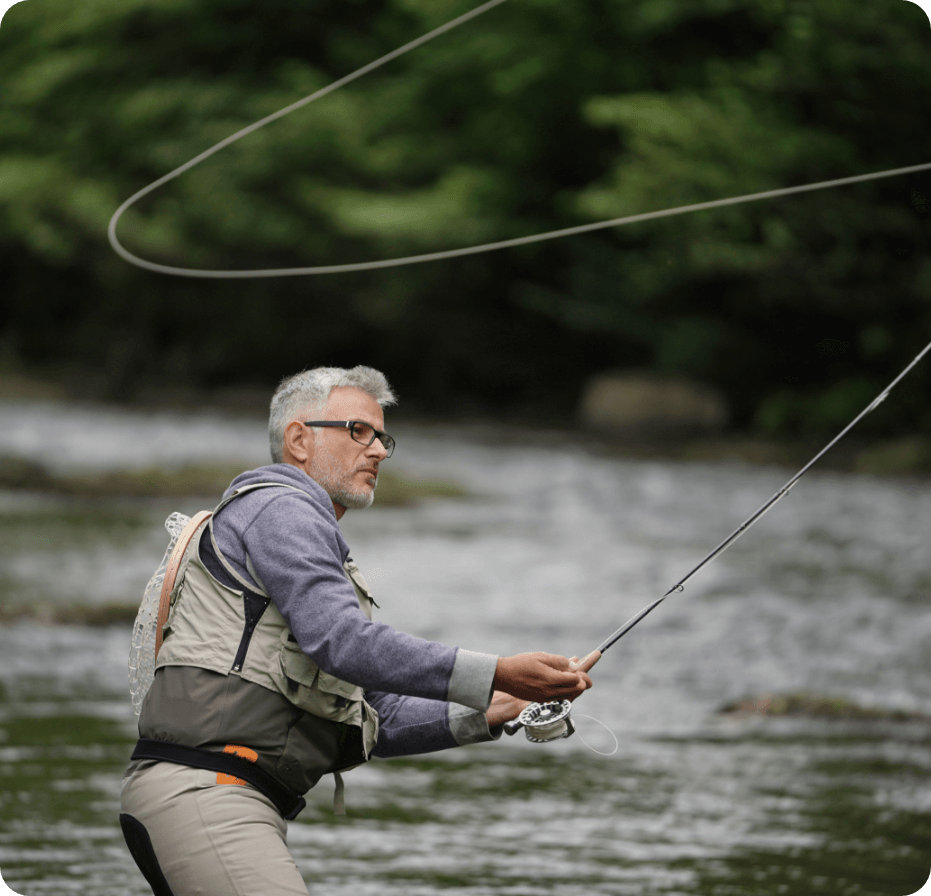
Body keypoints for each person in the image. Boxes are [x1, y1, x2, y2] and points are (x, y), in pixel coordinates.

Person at [119, 365, 592, 896]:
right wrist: (495, 670)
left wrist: (493, 705)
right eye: (357, 431)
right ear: (298, 439)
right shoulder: (281, 507)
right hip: (205, 794)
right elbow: (342, 643)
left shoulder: (298, 531)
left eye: (382, 436)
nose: (379, 450)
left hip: (223, 798)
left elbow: (372, 718)